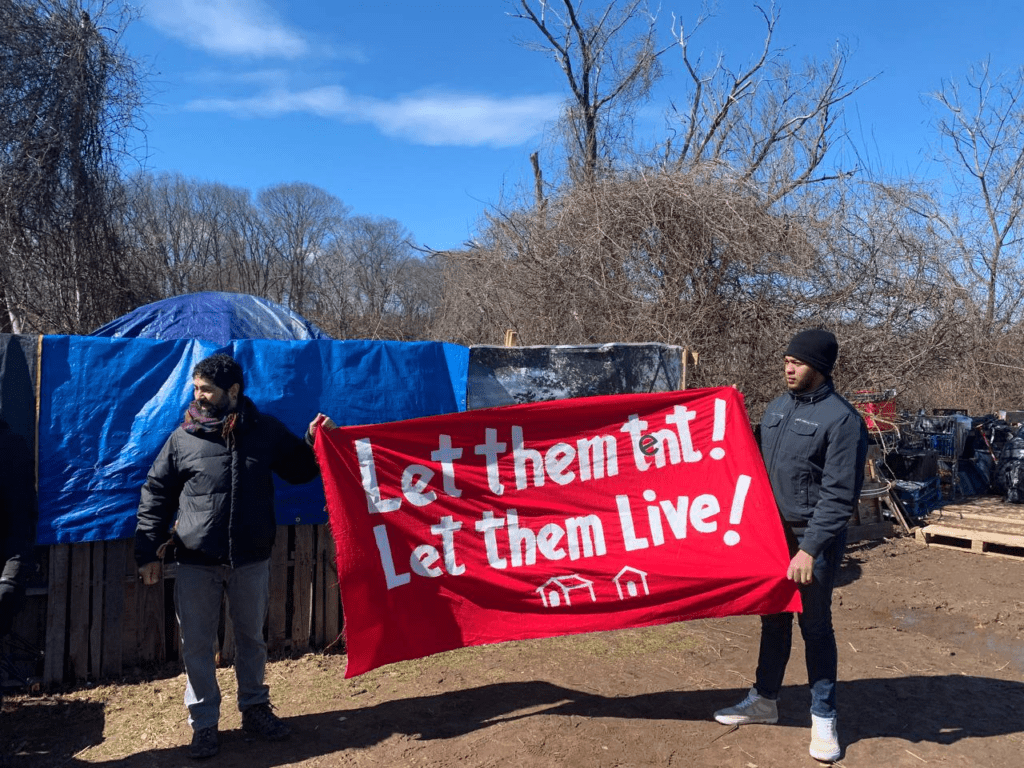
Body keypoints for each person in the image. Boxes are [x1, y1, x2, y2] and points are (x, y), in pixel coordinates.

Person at [135, 353, 335, 760]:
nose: (198, 397)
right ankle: (205, 724)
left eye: (206, 389)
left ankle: (255, 708)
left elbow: (299, 470)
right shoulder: (183, 439)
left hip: (250, 559)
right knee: (196, 645)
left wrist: (316, 440)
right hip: (195, 560)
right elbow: (155, 495)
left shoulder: (264, 432)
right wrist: (147, 552)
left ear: (233, 391)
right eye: (196, 389)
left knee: (251, 640)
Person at [714, 329, 867, 763]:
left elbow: (840, 497)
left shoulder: (843, 421)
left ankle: (823, 720)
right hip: (770, 537)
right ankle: (764, 700)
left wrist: (810, 549)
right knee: (773, 620)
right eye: (785, 360)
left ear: (818, 368)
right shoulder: (779, 407)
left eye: (796, 362)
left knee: (815, 626)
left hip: (809, 542)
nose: (788, 367)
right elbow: (751, 460)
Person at [0, 417, 38, 662]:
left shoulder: (11, 449)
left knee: (5, 596)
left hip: (10, 552)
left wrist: (10, 578)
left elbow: (23, 519)